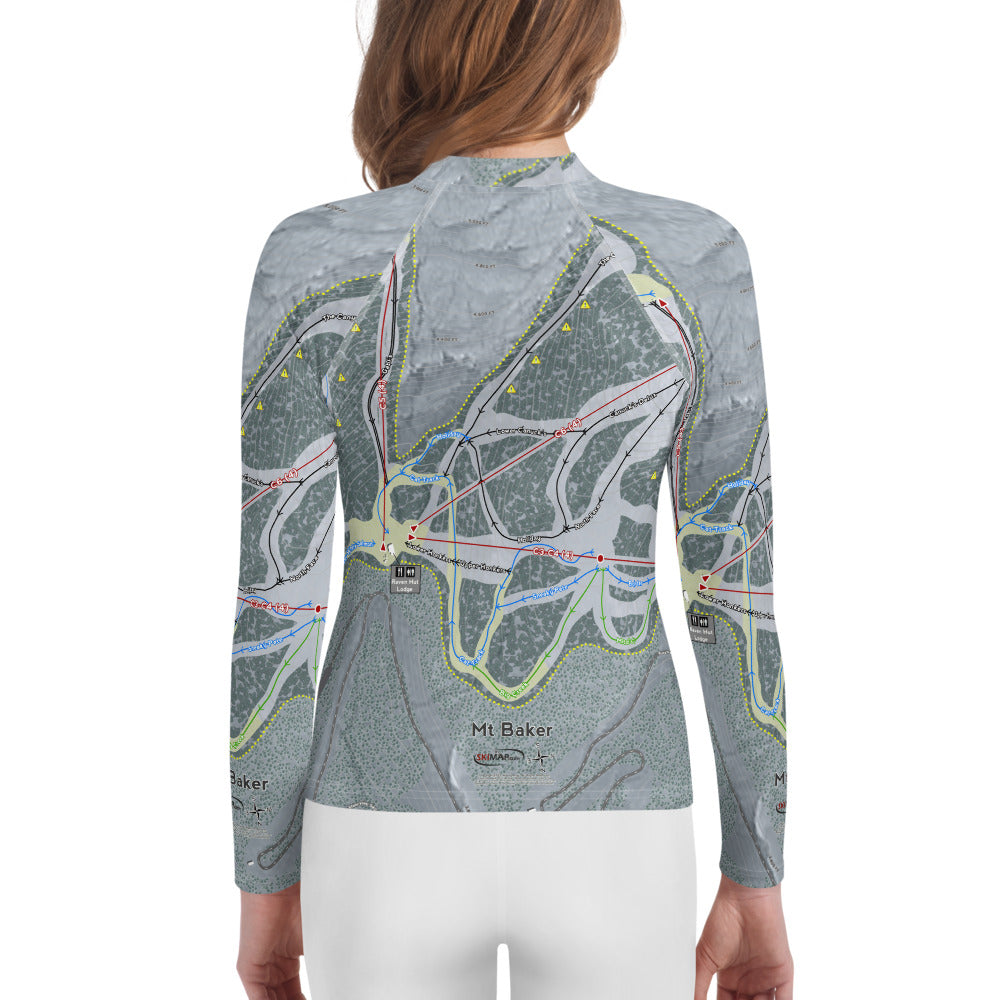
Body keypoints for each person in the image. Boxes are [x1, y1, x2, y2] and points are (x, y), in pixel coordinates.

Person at [231, 2, 794, 998]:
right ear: (587, 32)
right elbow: (733, 597)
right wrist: (757, 869)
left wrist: (264, 877)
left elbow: (276, 605)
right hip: (619, 829)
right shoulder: (693, 256)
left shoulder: (317, 255)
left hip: (376, 831)